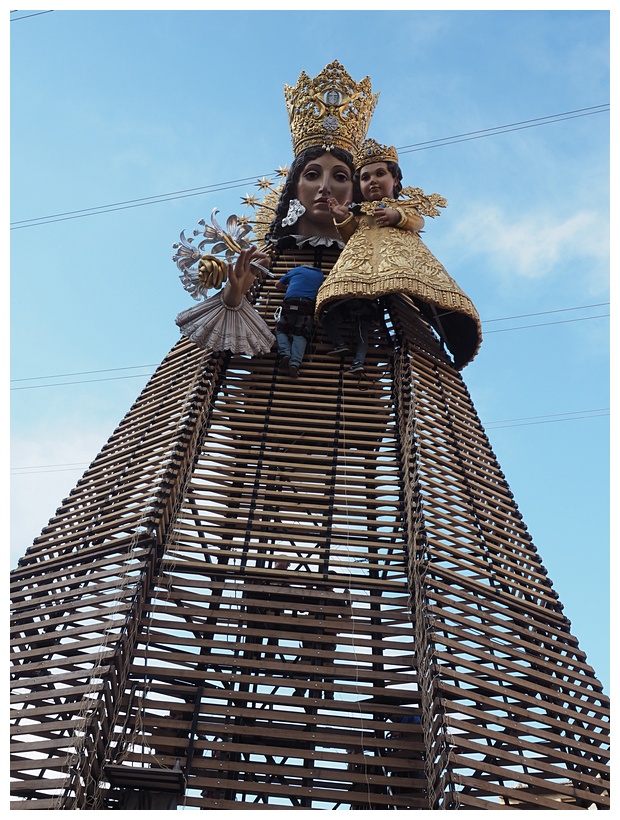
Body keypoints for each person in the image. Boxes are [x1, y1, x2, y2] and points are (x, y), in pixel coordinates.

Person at [315, 137, 481, 371]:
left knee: (428, 301)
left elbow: (417, 221)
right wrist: (342, 218)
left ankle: (450, 334)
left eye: (379, 174)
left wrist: (397, 217)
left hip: (401, 261)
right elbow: (351, 235)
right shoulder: (361, 213)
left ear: (395, 179)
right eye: (365, 177)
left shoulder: (402, 206)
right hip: (361, 262)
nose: (372, 181)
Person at [274, 264, 325, 379]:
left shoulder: (296, 270)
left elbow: (278, 285)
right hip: (307, 307)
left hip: (290, 302)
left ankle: (285, 353)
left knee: (281, 330)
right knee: (300, 334)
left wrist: (290, 286)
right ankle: (295, 364)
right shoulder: (320, 275)